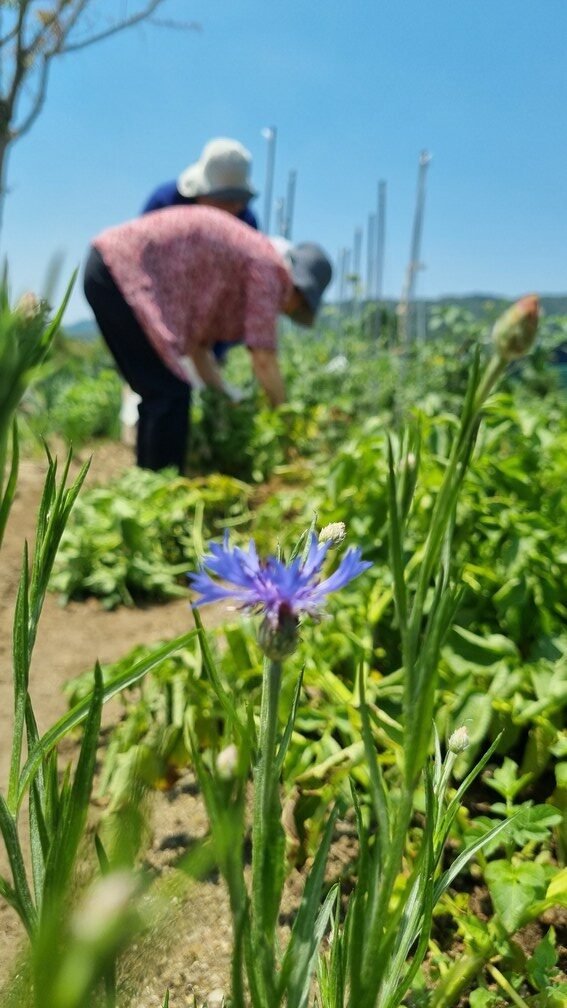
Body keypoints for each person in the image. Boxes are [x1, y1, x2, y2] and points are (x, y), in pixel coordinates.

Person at [83, 205, 332, 473]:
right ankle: (160, 488)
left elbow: (199, 350)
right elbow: (263, 359)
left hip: (108, 269)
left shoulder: (251, 258)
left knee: (161, 391)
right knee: (170, 395)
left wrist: (224, 393)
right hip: (122, 271)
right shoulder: (270, 269)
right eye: (300, 306)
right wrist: (286, 421)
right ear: (298, 289)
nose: (290, 312)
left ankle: (147, 482)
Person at [142, 137, 259, 228]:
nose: (235, 206)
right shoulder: (165, 204)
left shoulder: (246, 222)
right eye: (224, 198)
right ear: (201, 193)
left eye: (239, 199)